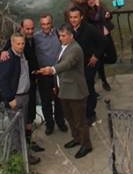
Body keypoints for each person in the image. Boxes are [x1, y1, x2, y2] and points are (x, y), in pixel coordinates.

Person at [37, 24, 92, 158]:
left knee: (80, 120)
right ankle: (77, 138)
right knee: (70, 118)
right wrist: (57, 85)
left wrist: (51, 70)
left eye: (63, 36)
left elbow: (67, 64)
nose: (60, 38)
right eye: (60, 36)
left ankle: (86, 144)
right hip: (65, 90)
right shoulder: (64, 47)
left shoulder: (75, 49)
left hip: (76, 91)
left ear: (71, 36)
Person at [0, 19, 44, 153]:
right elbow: (3, 78)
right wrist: (9, 98)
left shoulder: (27, 47)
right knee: (17, 126)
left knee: (29, 118)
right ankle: (22, 153)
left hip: (28, 90)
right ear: (21, 28)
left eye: (32, 28)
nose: (21, 45)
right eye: (27, 29)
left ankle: (27, 146)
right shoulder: (11, 53)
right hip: (17, 96)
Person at [67, 7, 104, 126]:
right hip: (74, 66)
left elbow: (103, 42)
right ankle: (81, 113)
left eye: (75, 17)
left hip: (88, 64)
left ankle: (90, 114)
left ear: (81, 17)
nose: (73, 20)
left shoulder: (89, 29)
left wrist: (96, 56)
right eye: (71, 17)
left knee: (89, 89)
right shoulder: (68, 29)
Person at [33, 14, 68, 135]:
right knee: (45, 101)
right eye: (43, 24)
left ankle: (60, 121)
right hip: (43, 74)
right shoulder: (35, 38)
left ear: (51, 23)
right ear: (40, 25)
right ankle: (49, 124)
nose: (45, 26)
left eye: (47, 24)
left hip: (57, 72)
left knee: (60, 99)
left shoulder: (59, 34)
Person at [85, 0, 115, 92]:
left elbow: (108, 15)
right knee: (100, 58)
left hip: (107, 35)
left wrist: (108, 15)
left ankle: (99, 62)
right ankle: (103, 80)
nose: (91, 0)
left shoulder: (101, 6)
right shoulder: (87, 12)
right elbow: (96, 19)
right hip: (98, 38)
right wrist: (97, 7)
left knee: (113, 57)